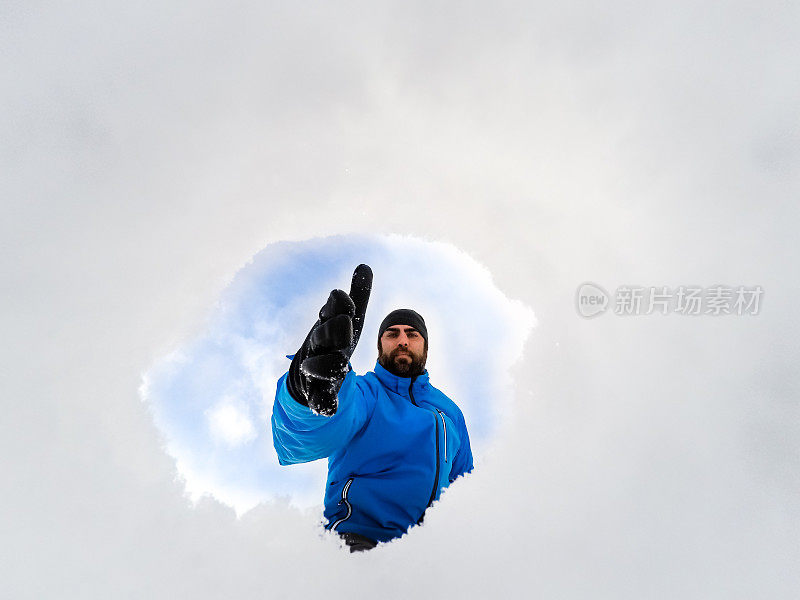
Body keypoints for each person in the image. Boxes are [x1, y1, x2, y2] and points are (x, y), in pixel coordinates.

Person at [271, 264, 473, 551]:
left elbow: (467, 487)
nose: (402, 340)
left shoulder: (450, 413)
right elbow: (297, 443)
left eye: (412, 334)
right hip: (359, 543)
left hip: (431, 555)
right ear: (380, 345)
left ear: (425, 347)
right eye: (392, 333)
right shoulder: (365, 392)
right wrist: (302, 391)